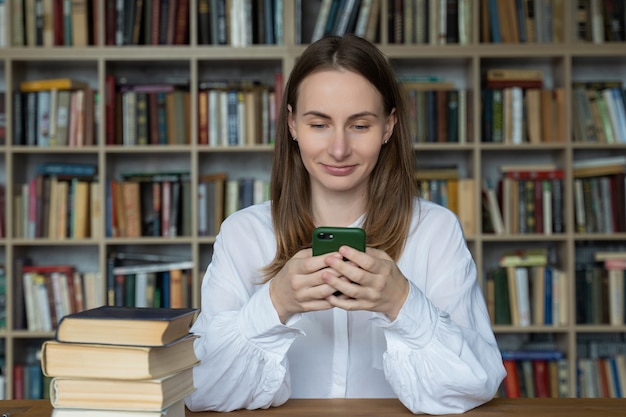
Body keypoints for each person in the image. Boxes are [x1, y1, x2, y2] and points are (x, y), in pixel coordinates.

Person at [185, 35, 506, 414]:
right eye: (319, 124)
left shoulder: (435, 230)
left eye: (360, 125)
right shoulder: (243, 234)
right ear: (291, 124)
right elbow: (201, 391)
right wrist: (274, 304)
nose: (339, 149)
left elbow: (476, 385)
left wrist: (402, 303)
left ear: (389, 127)